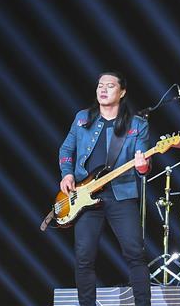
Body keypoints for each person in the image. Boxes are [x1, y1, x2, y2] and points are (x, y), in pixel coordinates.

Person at [58, 72, 151, 306]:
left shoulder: (137, 124)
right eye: (100, 85)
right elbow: (66, 149)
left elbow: (144, 166)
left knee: (135, 254)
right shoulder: (82, 118)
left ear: (122, 92)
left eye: (110, 86)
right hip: (85, 195)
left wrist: (143, 166)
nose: (103, 89)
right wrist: (67, 174)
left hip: (122, 194)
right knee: (84, 257)